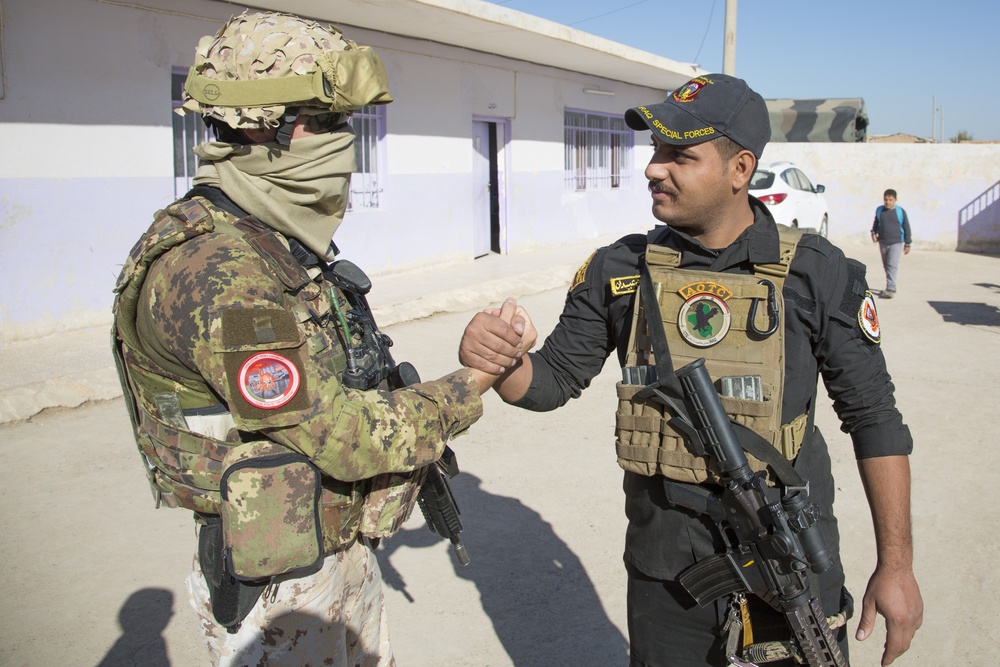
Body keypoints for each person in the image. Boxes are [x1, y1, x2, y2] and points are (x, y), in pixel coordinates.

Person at [461, 74, 922, 666]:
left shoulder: (817, 272)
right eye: (656, 151)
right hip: (666, 573)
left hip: (786, 560)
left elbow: (874, 419)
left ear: (739, 169)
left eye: (681, 154)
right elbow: (549, 382)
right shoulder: (619, 269)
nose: (655, 168)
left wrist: (897, 565)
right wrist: (500, 358)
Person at [111, 12, 524, 666]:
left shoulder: (271, 242)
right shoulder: (222, 274)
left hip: (329, 558)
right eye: (327, 123)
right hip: (279, 592)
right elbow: (339, 433)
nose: (344, 144)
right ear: (257, 127)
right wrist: (470, 381)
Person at [870, 189, 912, 298]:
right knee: (886, 265)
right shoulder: (880, 210)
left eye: (890, 200)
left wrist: (908, 243)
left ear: (895, 200)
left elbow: (906, 227)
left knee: (892, 265)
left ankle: (891, 288)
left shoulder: (900, 212)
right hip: (883, 242)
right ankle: (890, 284)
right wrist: (873, 233)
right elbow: (875, 224)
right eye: (886, 199)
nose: (888, 202)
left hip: (896, 243)